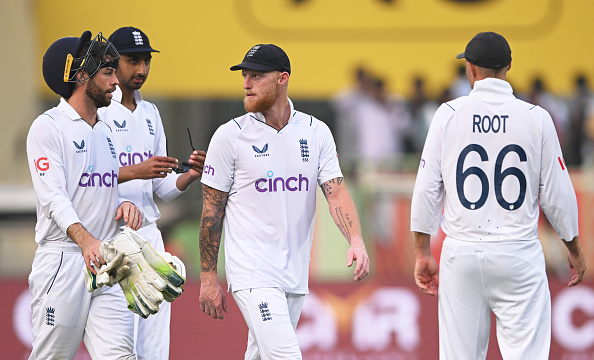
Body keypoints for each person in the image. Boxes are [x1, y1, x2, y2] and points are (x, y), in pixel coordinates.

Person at [411, 31, 587, 359]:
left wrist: (422, 250)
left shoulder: (448, 115)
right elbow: (558, 195)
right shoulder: (536, 119)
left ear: (471, 70)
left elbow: (426, 189)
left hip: (460, 253)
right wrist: (573, 248)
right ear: (508, 67)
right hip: (518, 253)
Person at [198, 44, 370, 359]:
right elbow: (212, 211)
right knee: (287, 356)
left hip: (294, 274)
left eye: (257, 76)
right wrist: (208, 276)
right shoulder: (229, 136)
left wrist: (356, 240)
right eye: (245, 76)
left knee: (261, 355)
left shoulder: (316, 132)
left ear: (282, 79)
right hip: (253, 274)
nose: (247, 83)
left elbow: (336, 192)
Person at [27, 31, 142, 359]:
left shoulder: (105, 130)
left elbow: (96, 188)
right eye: (106, 73)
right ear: (80, 76)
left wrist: (123, 204)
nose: (116, 82)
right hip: (63, 262)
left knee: (120, 356)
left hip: (105, 260)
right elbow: (54, 199)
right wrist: (86, 241)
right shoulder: (47, 127)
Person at [97, 26, 206, 360]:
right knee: (120, 345)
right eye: (133, 61)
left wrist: (188, 175)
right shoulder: (98, 111)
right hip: (111, 239)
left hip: (149, 236)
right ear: (112, 63)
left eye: (146, 61)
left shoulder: (151, 113)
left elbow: (159, 188)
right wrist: (136, 173)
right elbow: (84, 179)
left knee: (155, 345)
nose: (141, 69)